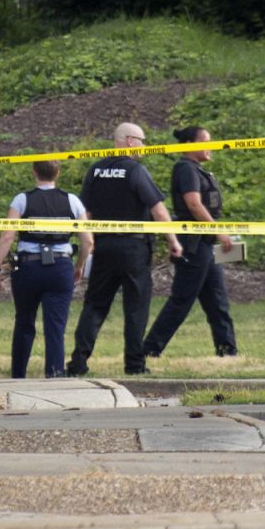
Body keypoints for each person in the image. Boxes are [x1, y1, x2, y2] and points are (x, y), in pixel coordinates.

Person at [66, 122, 183, 376]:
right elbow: (158, 209)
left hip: (104, 246)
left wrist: (87, 247)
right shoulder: (135, 170)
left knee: (95, 306)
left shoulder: (95, 170)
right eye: (142, 140)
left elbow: (84, 213)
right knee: (136, 308)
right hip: (133, 248)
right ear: (129, 141)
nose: (145, 146)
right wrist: (173, 240)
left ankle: (78, 362)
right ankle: (134, 365)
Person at [0, 161, 93, 378]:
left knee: (24, 322)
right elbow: (88, 241)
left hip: (28, 267)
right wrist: (79, 265)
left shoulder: (22, 200)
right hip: (61, 266)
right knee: (55, 326)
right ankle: (54, 373)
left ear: (34, 172)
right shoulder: (72, 201)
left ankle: (18, 375)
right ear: (58, 173)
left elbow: (8, 235)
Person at [143, 126, 237, 358]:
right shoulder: (185, 169)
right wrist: (218, 232)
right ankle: (149, 349)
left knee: (217, 299)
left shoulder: (198, 170)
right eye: (205, 141)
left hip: (205, 243)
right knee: (182, 300)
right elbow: (194, 204)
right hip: (194, 244)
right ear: (188, 145)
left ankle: (227, 350)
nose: (210, 146)